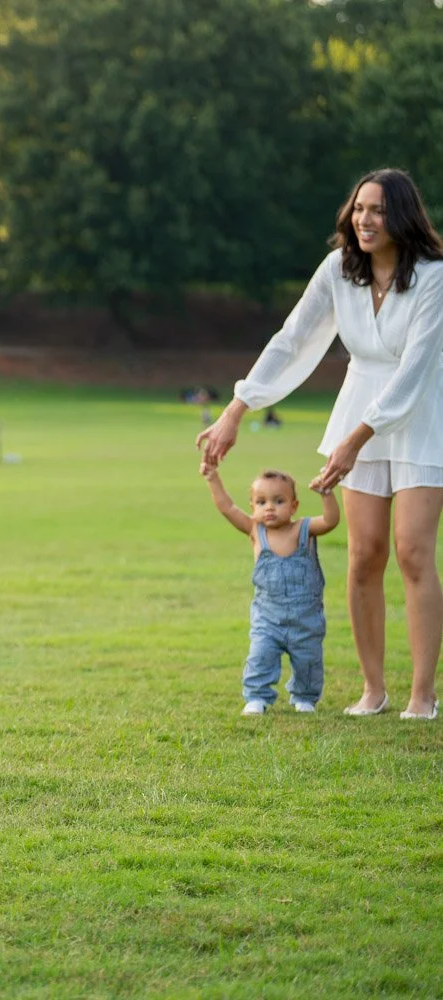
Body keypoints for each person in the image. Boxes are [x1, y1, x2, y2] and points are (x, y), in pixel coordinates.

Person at [198, 168, 443, 721]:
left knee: (412, 552)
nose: (365, 219)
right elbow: (292, 339)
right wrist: (238, 407)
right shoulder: (339, 270)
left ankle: (422, 695)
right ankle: (373, 690)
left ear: (402, 216)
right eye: (359, 209)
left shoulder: (433, 276)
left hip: (421, 413)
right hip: (358, 407)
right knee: (363, 555)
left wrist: (358, 437)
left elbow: (417, 368)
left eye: (378, 210)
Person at [202, 466, 341, 715]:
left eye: (278, 501)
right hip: (268, 620)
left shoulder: (304, 530)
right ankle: (257, 697)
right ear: (252, 506)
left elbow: (331, 520)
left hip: (306, 621)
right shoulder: (256, 532)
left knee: (309, 661)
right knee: (260, 657)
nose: (269, 507)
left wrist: (326, 492)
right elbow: (227, 507)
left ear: (294, 506)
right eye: (261, 502)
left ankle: (304, 696)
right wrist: (213, 478)